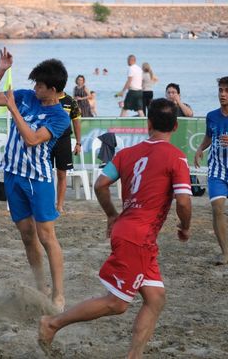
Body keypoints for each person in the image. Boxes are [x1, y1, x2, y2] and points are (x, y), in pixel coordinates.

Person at [38, 98, 193, 357]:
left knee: (155, 299)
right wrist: (185, 227)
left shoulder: (126, 154)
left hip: (132, 233)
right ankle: (52, 323)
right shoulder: (177, 156)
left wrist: (112, 214)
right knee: (118, 303)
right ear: (176, 127)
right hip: (138, 238)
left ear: (149, 123)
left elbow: (100, 184)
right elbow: (185, 201)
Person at [0, 47, 71, 311]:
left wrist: (14, 110)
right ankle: (40, 285)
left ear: (53, 89)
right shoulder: (25, 96)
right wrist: (1, 69)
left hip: (38, 180)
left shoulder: (60, 117)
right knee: (26, 235)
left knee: (47, 236)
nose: (35, 88)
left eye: (40, 85)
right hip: (13, 176)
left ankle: (58, 293)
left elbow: (32, 140)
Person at [194, 76, 228, 265]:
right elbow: (209, 135)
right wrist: (200, 149)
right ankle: (225, 253)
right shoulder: (212, 116)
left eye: (226, 91)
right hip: (217, 169)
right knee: (217, 208)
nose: (222, 94)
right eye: (220, 90)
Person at [53, 92, 82, 214]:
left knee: (61, 174)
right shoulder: (46, 97)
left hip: (63, 140)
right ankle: (47, 203)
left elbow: (76, 122)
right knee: (45, 174)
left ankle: (59, 206)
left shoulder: (70, 101)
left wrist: (78, 143)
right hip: (46, 139)